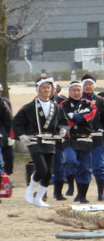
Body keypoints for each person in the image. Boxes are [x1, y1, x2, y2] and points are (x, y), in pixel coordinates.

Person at [12, 77, 69, 207]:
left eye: (48, 87)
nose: (46, 90)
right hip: (34, 141)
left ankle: (39, 199)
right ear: (37, 90)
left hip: (50, 141)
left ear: (52, 90)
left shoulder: (56, 107)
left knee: (49, 172)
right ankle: (30, 189)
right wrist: (21, 135)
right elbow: (17, 122)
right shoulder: (29, 107)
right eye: (43, 87)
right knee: (41, 168)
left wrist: (63, 131)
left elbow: (63, 123)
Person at [60, 81, 97, 203]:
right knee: (70, 161)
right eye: (73, 90)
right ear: (69, 92)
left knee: (85, 169)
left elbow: (86, 117)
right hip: (69, 139)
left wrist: (74, 116)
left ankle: (82, 195)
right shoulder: (62, 105)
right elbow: (63, 119)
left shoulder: (89, 104)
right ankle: (70, 184)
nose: (76, 93)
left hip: (85, 138)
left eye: (78, 90)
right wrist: (75, 116)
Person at [81, 74, 104, 201]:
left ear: (94, 86)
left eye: (90, 84)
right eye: (85, 84)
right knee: (83, 167)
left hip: (97, 137)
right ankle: (82, 195)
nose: (88, 87)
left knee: (99, 166)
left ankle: (101, 193)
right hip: (81, 138)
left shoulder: (101, 101)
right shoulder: (78, 101)